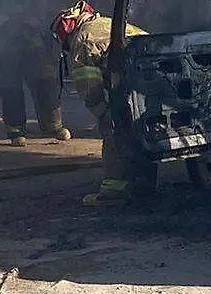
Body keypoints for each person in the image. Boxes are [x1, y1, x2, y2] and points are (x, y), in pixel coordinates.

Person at [51, 1, 152, 206]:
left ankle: (114, 192)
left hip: (129, 85)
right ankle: (145, 186)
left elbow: (89, 88)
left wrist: (103, 113)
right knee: (146, 132)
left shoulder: (82, 39)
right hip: (153, 81)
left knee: (114, 131)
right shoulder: (108, 23)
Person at [0, 0, 71, 147]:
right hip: (8, 44)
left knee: (46, 82)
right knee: (11, 87)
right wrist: (11, 24)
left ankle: (52, 126)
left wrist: (42, 23)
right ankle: (16, 130)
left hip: (37, 42)